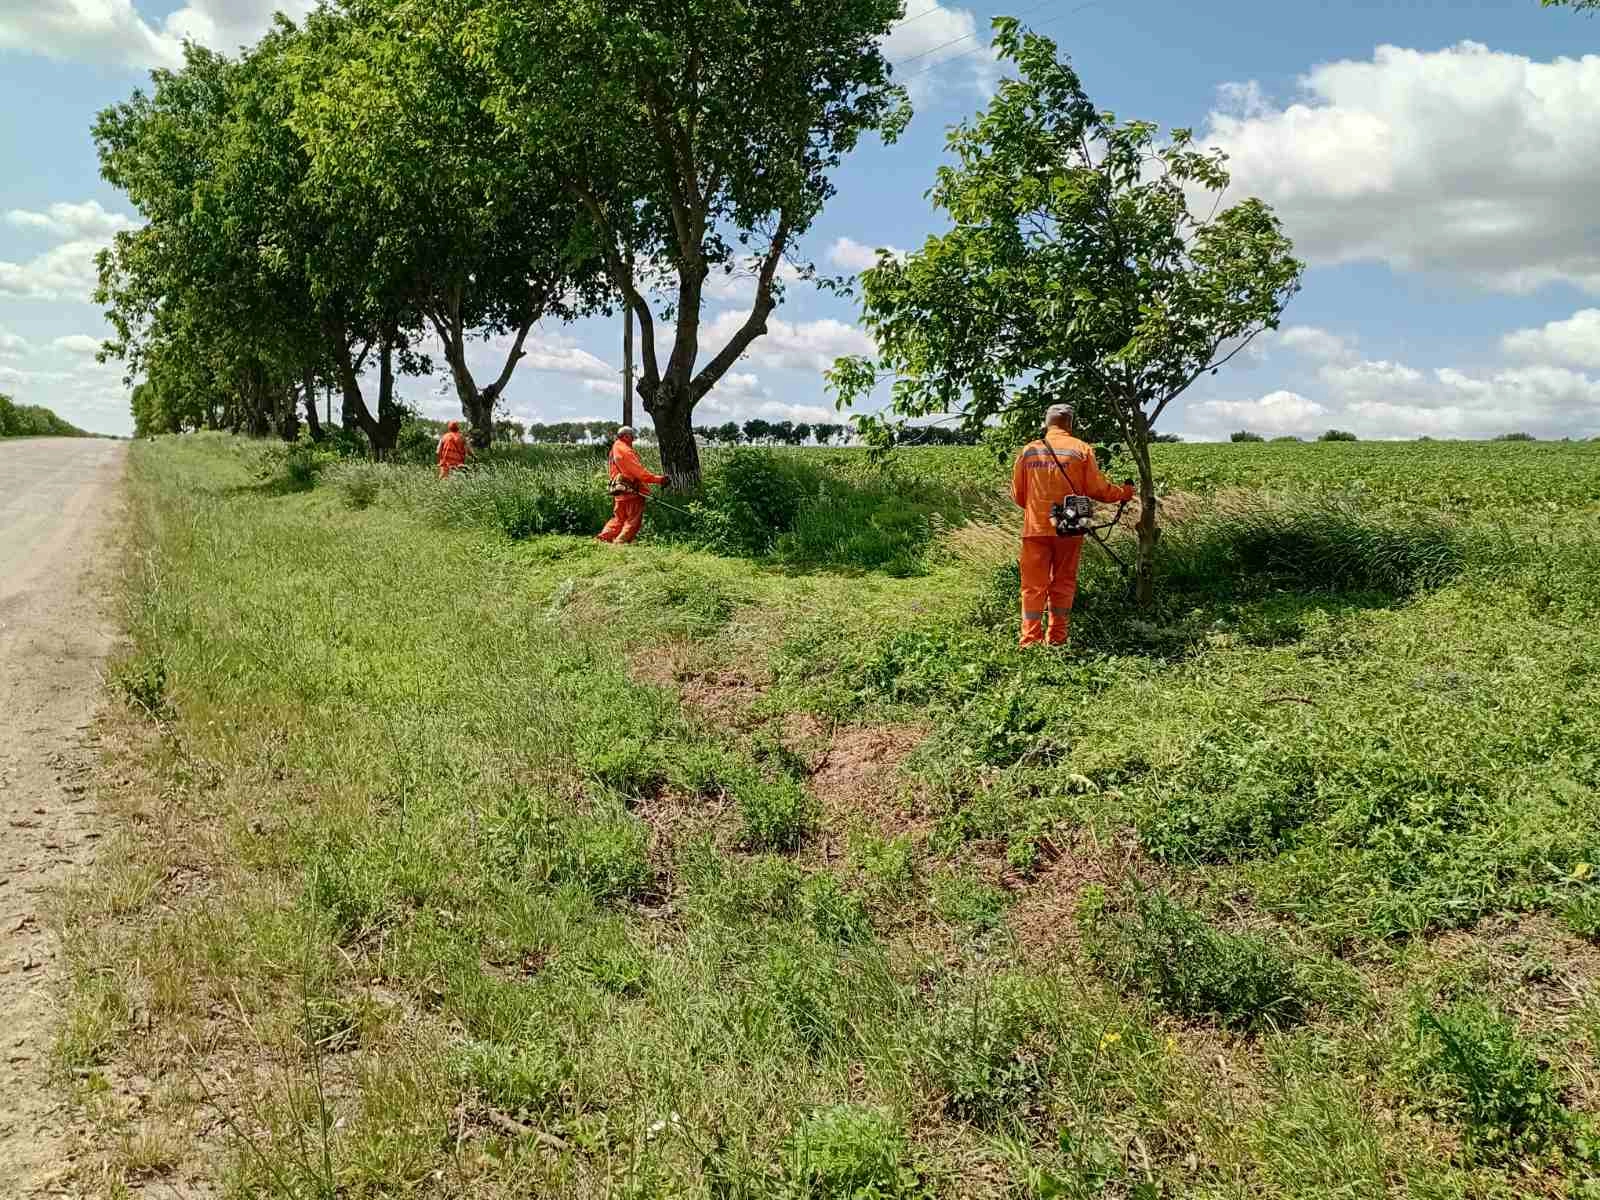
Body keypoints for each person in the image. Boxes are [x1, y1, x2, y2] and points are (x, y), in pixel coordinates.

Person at [1010, 404, 1134, 647]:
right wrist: (1124, 493)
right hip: (1071, 524)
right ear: (1070, 423)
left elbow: (1018, 494)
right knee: (1063, 582)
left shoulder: (1029, 451)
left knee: (1032, 586)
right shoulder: (1081, 449)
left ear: (1047, 423)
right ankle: (1057, 639)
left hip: (1035, 526)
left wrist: (1038, 509)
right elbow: (1097, 489)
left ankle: (1029, 642)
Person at [598, 425, 668, 544]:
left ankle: (603, 538)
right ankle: (620, 542)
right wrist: (659, 479)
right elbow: (639, 473)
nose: (633, 440)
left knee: (619, 518)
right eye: (632, 437)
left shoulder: (615, 448)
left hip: (618, 489)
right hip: (631, 491)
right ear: (625, 436)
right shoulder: (625, 450)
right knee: (633, 520)